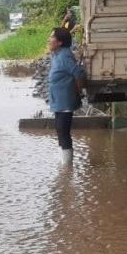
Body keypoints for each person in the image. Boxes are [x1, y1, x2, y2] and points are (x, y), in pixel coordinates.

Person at [47, 28, 85, 165]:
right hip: (58, 101)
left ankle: (67, 168)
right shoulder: (58, 54)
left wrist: (78, 91)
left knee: (63, 131)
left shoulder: (64, 56)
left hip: (65, 101)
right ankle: (63, 163)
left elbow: (79, 73)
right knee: (59, 129)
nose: (49, 40)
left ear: (60, 42)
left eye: (52, 38)